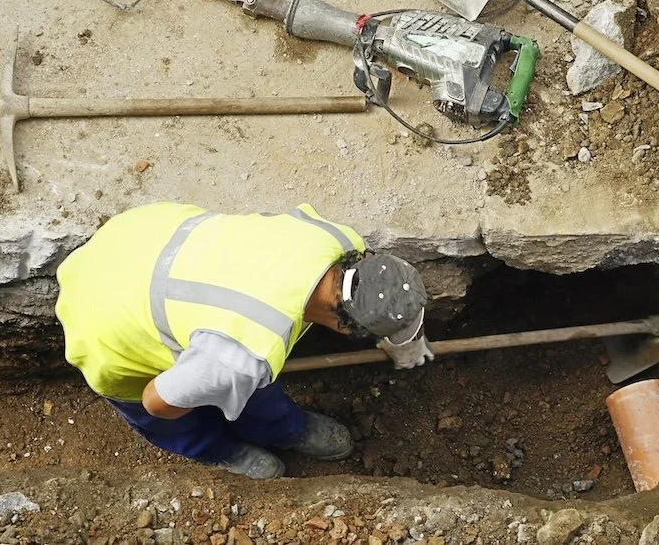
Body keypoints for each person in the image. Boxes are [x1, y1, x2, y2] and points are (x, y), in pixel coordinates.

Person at [55, 201, 433, 479]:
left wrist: (404, 339)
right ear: (344, 326)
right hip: (106, 320)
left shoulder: (338, 240)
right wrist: (206, 394)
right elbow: (158, 401)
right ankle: (220, 449)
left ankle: (284, 430)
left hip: (143, 235)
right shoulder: (242, 353)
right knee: (186, 419)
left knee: (252, 387)